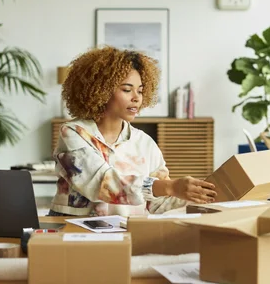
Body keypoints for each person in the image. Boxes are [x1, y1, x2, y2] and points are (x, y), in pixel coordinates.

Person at [49, 46, 216, 217]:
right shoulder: (74, 133)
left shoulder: (145, 143)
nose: (136, 97)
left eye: (141, 91)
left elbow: (158, 203)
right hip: (74, 233)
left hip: (125, 234)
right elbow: (102, 183)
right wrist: (171, 186)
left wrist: (199, 194)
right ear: (102, 91)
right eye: (127, 90)